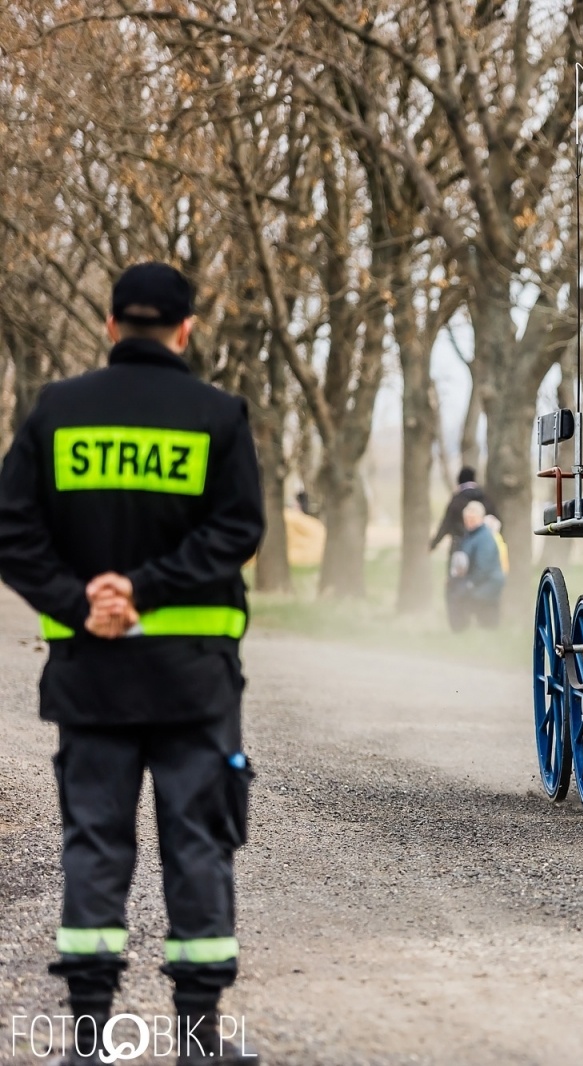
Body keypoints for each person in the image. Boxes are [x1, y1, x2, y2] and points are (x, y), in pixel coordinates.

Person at [0, 264, 264, 1064]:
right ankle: (198, 1040)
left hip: (90, 679)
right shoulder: (218, 416)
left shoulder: (56, 413)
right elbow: (237, 530)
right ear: (185, 331)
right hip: (194, 681)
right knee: (197, 841)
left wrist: (87, 602)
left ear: (111, 325)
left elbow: (13, 534)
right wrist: (146, 590)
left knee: (95, 844)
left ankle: (87, 1038)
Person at [446, 501, 506, 631]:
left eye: (472, 518)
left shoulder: (484, 538)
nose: (469, 521)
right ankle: (461, 632)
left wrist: (469, 584)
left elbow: (483, 568)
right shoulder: (470, 535)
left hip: (488, 583)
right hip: (477, 581)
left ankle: (462, 631)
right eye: (467, 518)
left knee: (459, 595)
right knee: (453, 590)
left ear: (480, 518)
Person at [430, 466, 497, 552]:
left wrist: (433, 544)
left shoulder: (457, 500)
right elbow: (496, 520)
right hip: (483, 547)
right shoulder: (485, 499)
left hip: (459, 546)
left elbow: (446, 524)